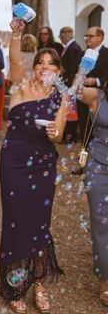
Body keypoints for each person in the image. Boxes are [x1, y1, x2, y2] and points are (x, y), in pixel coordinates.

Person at [0, 18, 67, 313]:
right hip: (14, 160)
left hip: (42, 162)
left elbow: (60, 134)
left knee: (40, 223)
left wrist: (54, 132)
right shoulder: (22, 85)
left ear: (59, 70)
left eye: (51, 63)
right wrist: (16, 33)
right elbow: (14, 58)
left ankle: (39, 283)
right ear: (35, 66)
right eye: (41, 62)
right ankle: (15, 284)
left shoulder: (62, 98)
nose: (45, 67)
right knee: (15, 219)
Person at [77, 75, 108, 306]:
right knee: (101, 224)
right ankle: (105, 279)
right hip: (98, 167)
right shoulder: (98, 96)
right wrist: (83, 70)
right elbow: (71, 91)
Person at [78, 27, 108, 148]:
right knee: (84, 128)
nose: (87, 39)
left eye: (90, 36)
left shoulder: (107, 54)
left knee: (97, 128)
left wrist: (96, 81)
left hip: (101, 98)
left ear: (100, 37)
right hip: (82, 97)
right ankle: (85, 158)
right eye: (86, 36)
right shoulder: (82, 53)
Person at [59, 27, 83, 144]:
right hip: (67, 84)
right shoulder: (70, 47)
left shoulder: (73, 48)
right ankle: (68, 135)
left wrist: (63, 72)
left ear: (66, 34)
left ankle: (71, 135)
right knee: (68, 111)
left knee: (71, 112)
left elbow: (73, 68)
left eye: (60, 35)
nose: (60, 38)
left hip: (70, 84)